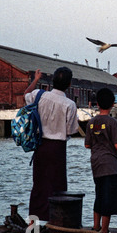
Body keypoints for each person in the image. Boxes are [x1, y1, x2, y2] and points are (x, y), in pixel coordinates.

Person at [24, 67, 79, 221]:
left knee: (38, 187)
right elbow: (71, 130)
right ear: (69, 84)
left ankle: (33, 228)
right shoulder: (69, 104)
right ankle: (55, 223)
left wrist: (35, 79)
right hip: (57, 149)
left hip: (40, 145)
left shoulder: (38, 95)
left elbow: (25, 95)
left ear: (52, 82)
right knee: (57, 187)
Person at [85, 88, 117, 233]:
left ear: (97, 104)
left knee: (99, 194)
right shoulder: (112, 122)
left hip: (96, 164)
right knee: (108, 198)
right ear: (112, 104)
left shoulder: (91, 123)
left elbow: (87, 145)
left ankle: (96, 226)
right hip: (110, 165)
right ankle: (104, 231)